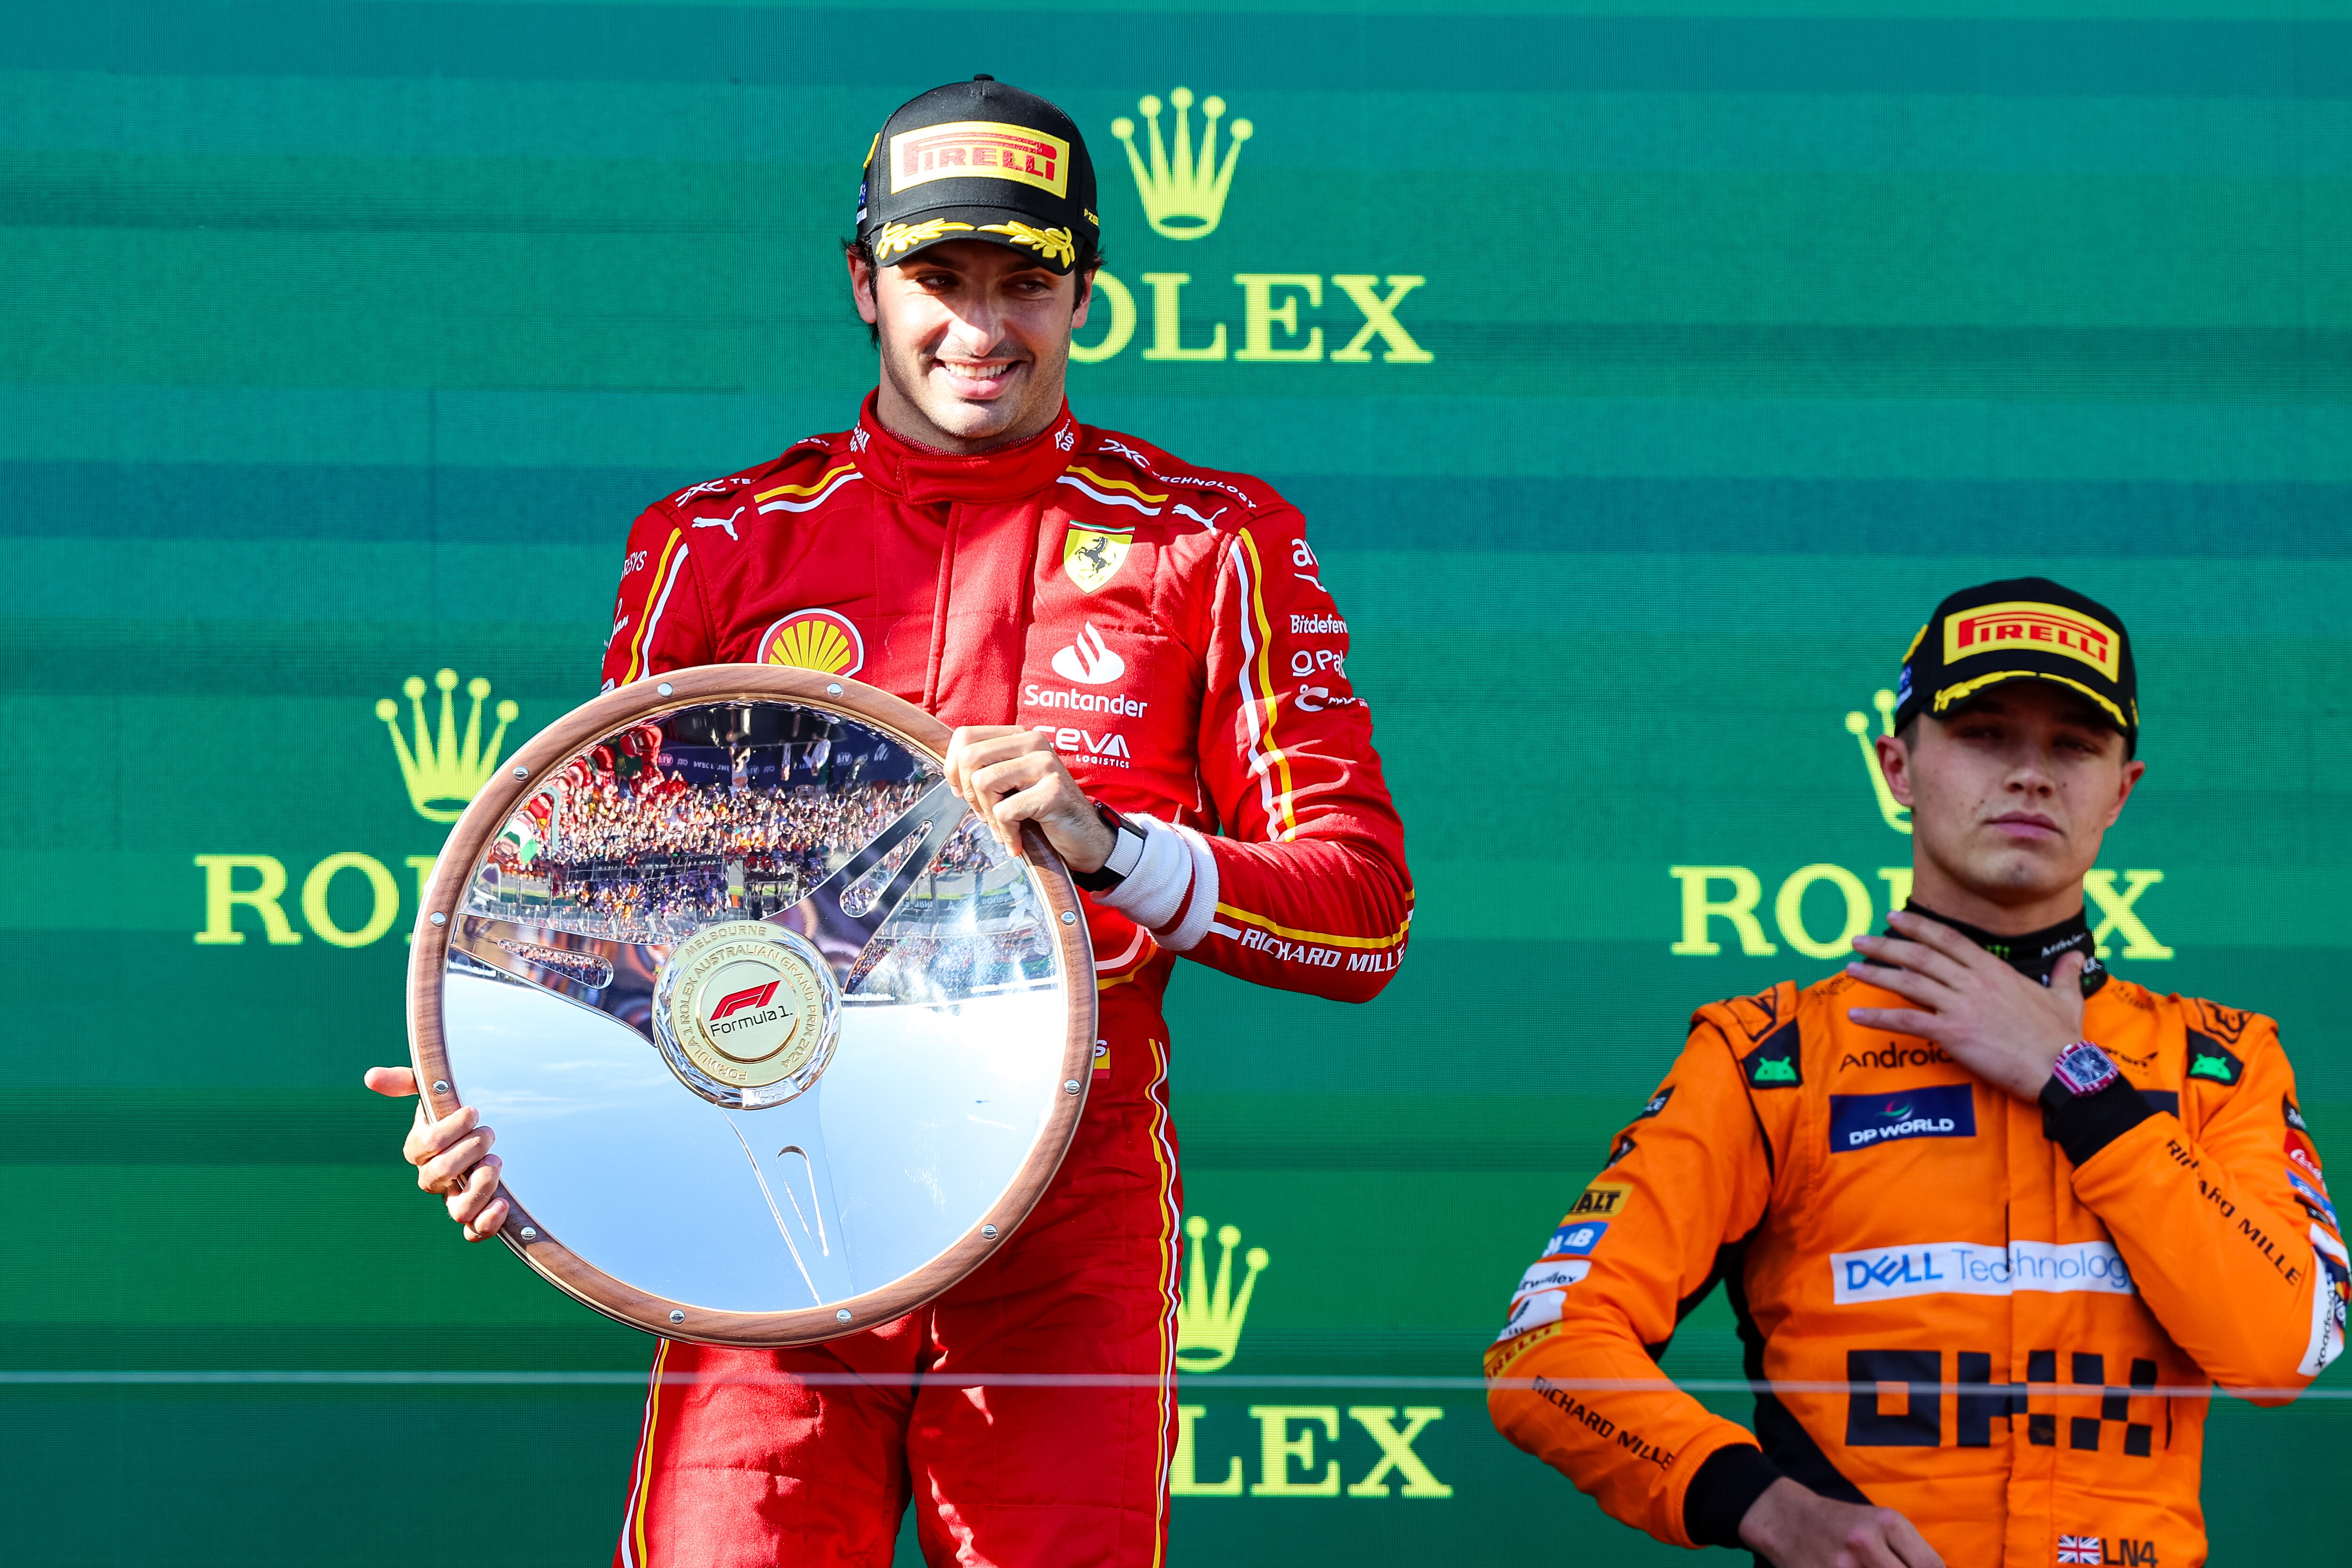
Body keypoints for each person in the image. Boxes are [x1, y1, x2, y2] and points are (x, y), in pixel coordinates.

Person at [363, 76, 1411, 1568]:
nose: (981, 325)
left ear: (1084, 293)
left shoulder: (1214, 542)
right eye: (938, 276)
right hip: (764, 1185)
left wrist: (1117, 849)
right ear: (865, 282)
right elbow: (599, 911)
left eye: (1025, 281)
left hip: (1065, 1202)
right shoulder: (717, 542)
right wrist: (505, 1088)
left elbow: (1361, 910)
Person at [1486, 579, 2345, 1568]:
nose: (2030, 774)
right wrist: (1764, 1503)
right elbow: (1544, 1346)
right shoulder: (1771, 1056)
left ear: (2122, 788)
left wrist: (2076, 1080)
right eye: (1982, 734)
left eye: (2073, 744)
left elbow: (2286, 1347)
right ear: (1896, 765)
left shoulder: (2219, 1061)